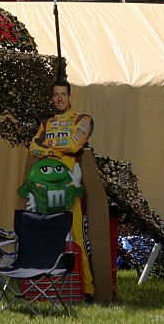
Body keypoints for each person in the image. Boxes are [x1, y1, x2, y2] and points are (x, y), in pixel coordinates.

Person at [26, 80, 95, 297]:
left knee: (77, 237)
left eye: (63, 94)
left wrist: (50, 148)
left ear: (69, 96)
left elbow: (76, 144)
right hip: (46, 188)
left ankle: (88, 289)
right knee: (47, 236)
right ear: (51, 98)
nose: (59, 99)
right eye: (55, 95)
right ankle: (49, 287)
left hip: (69, 187)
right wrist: (57, 151)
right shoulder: (47, 123)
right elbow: (33, 147)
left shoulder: (82, 119)